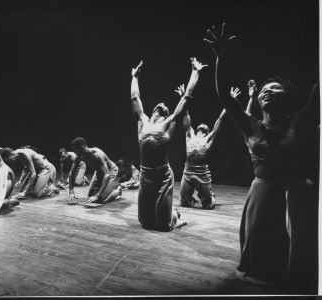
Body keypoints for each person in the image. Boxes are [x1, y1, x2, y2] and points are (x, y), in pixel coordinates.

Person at [204, 23, 319, 292]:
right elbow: (224, 96)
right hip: (263, 191)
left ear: (288, 97)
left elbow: (317, 94)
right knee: (262, 243)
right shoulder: (251, 125)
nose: (267, 90)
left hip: (296, 193)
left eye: (275, 88)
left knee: (296, 244)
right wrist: (221, 57)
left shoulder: (301, 123)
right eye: (264, 89)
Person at [130, 57, 207, 231]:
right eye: (158, 111)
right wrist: (134, 77)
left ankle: (175, 217)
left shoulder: (169, 124)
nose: (160, 113)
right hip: (146, 175)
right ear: (153, 113)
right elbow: (135, 97)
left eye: (163, 112)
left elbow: (187, 97)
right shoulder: (143, 121)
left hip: (163, 175)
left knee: (164, 226)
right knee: (145, 223)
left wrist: (195, 72)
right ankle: (170, 211)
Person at [175, 84, 233, 209]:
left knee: (208, 205)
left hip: (202, 173)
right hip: (188, 171)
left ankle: (210, 196)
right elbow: (185, 114)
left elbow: (220, 119)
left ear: (207, 131)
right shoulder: (190, 134)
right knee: (183, 204)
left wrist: (229, 101)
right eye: (200, 126)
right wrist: (182, 96)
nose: (201, 126)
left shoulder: (209, 138)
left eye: (204, 127)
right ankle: (192, 196)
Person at [66, 137, 122, 205]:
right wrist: (71, 192)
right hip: (98, 172)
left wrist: (97, 195)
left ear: (83, 146)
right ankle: (105, 191)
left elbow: (107, 175)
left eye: (76, 150)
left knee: (102, 198)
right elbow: (71, 172)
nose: (74, 152)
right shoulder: (79, 156)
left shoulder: (97, 154)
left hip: (111, 171)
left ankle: (117, 190)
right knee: (90, 196)